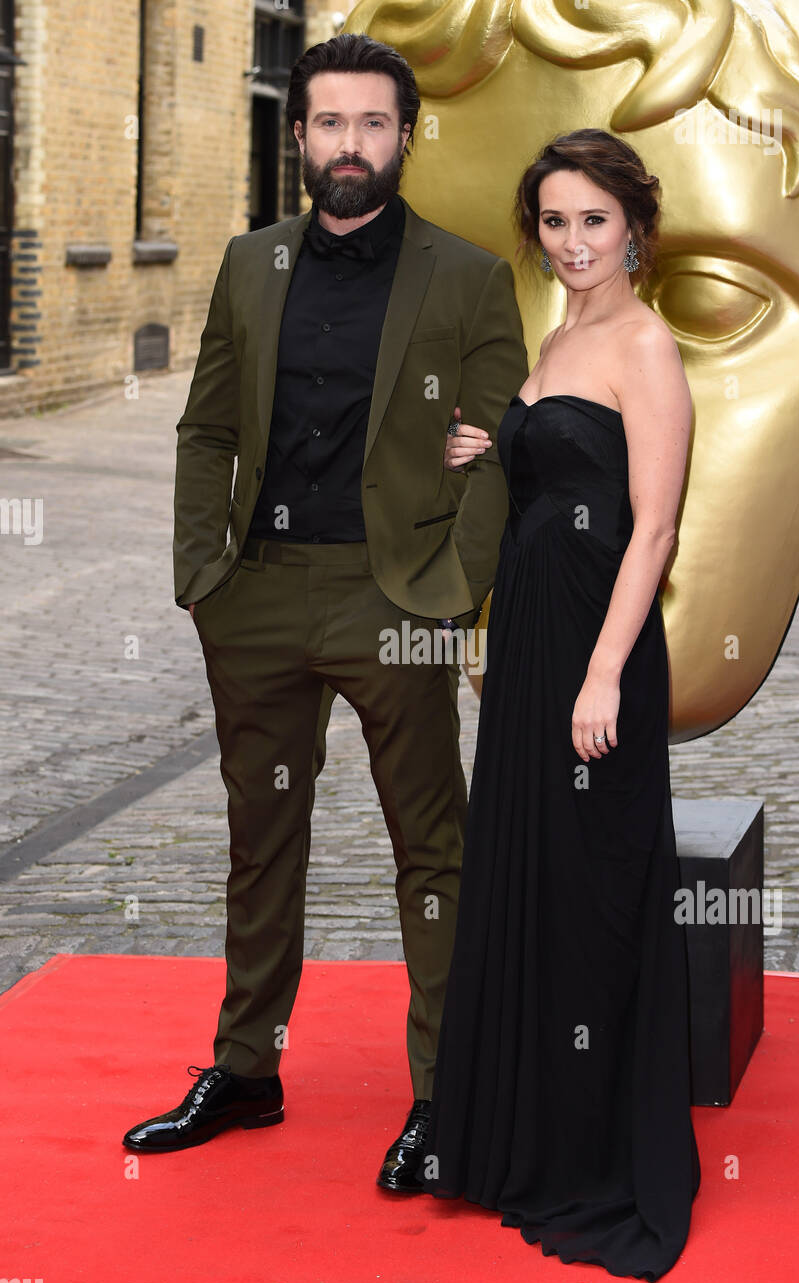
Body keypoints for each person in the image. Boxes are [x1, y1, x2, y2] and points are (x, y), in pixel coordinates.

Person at [122, 33, 528, 1187]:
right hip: (254, 595)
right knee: (261, 840)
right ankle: (248, 1066)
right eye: (328, 123)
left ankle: (446, 1097)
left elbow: (497, 452)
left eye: (372, 124)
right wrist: (203, 571)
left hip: (390, 595)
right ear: (296, 136)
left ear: (405, 136)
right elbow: (206, 427)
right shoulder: (251, 262)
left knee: (428, 847)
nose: (349, 145)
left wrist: (452, 592)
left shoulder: (464, 277)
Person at [420, 129, 701, 1281]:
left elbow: (654, 525)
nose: (573, 241)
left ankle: (592, 1152)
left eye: (593, 219)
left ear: (632, 225)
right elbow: (558, 472)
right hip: (532, 639)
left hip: (599, 647)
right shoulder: (562, 329)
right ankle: (525, 1133)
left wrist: (600, 671)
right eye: (553, 221)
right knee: (532, 870)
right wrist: (493, 443)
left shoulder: (641, 339)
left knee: (591, 887)